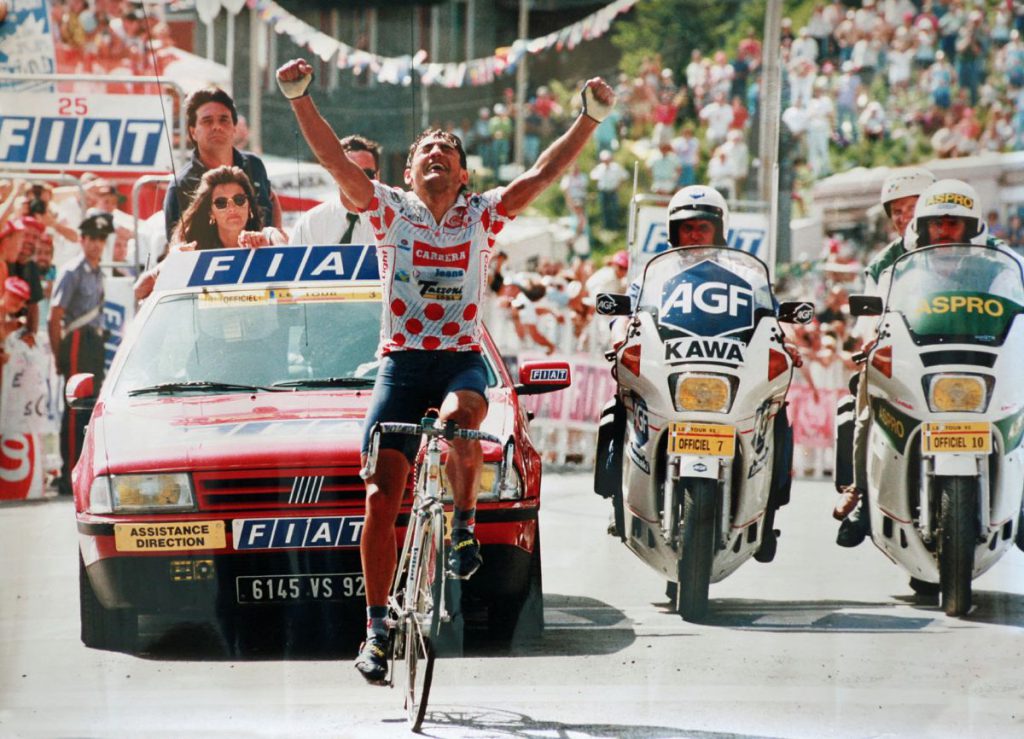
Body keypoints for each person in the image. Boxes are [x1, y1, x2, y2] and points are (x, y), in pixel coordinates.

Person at [276, 56, 615, 683]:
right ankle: (376, 626)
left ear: (463, 173)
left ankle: (461, 524)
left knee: (462, 420)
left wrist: (589, 118)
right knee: (381, 493)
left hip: (460, 362)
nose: (437, 153)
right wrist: (299, 98)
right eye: (425, 149)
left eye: (448, 150)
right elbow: (333, 161)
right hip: (401, 365)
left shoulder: (481, 214)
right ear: (408, 171)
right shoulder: (387, 211)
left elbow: (542, 173)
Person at [833, 177, 1012, 551]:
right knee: (868, 390)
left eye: (911, 208)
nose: (904, 218)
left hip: (983, 358)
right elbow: (874, 305)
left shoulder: (998, 256)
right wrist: (868, 338)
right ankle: (863, 494)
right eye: (897, 212)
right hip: (917, 360)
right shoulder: (890, 261)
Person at [136, 166, 285, 301]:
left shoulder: (269, 237)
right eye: (221, 203)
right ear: (211, 213)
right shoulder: (194, 251)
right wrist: (173, 262)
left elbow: (287, 256)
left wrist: (267, 253)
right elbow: (138, 291)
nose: (231, 208)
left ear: (249, 207)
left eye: (239, 200)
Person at [49, 214, 112, 496]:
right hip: (76, 341)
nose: (97, 244)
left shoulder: (98, 272)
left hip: (93, 343)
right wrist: (57, 354)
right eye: (92, 238)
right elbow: (56, 315)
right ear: (82, 239)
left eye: (101, 239)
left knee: (89, 407)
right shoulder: (72, 271)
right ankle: (69, 473)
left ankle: (82, 469)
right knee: (75, 408)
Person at [163, 87, 276, 241]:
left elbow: (272, 203)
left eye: (224, 120)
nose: (217, 126)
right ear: (193, 131)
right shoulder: (180, 186)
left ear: (234, 127)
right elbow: (175, 247)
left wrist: (275, 235)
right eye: (207, 121)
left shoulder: (254, 165)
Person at [289, 135, 381, 246]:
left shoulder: (394, 223)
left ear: (378, 176)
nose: (358, 181)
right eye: (348, 173)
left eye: (367, 174)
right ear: (334, 175)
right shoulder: (310, 225)